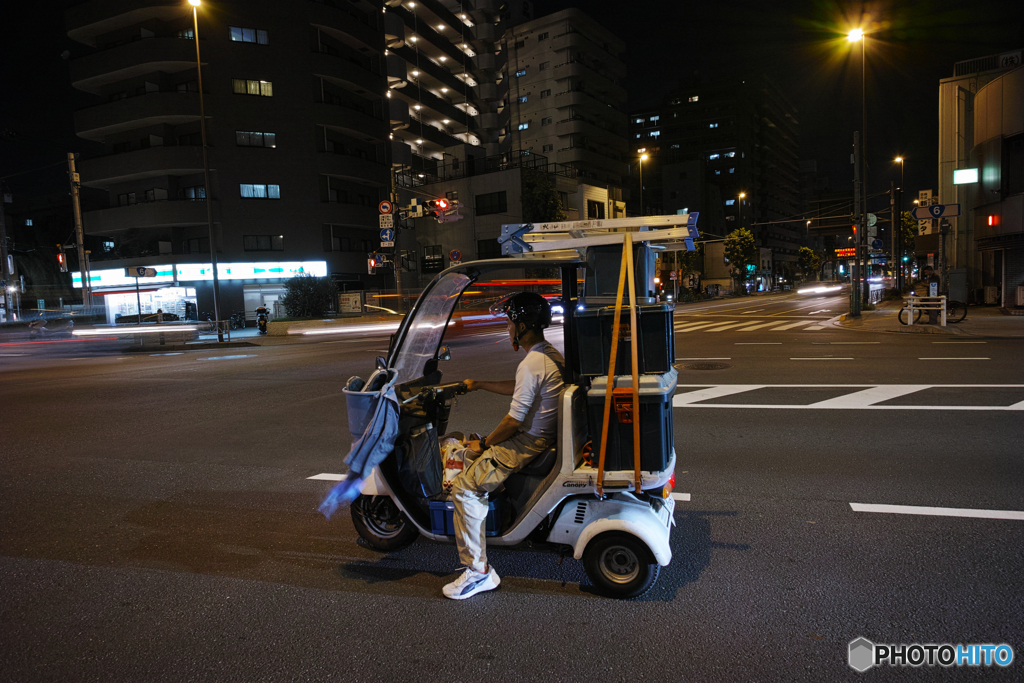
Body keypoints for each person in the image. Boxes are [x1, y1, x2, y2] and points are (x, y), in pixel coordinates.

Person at [443, 292, 565, 600]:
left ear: (523, 325)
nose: (508, 328)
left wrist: (484, 443)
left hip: (527, 441)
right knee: (470, 449)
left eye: (510, 322)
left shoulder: (532, 362)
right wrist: (480, 384)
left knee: (465, 489)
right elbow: (521, 389)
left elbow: (513, 421)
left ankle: (477, 573)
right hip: (540, 435)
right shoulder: (547, 354)